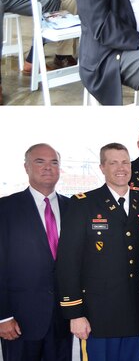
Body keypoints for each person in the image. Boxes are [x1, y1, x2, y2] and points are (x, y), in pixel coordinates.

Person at [56, 143, 139, 361]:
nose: (121, 168)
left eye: (125, 162)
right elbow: (68, 262)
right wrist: (75, 313)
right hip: (97, 317)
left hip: (136, 313)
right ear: (102, 167)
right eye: (113, 162)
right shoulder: (83, 204)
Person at [0, 144, 72, 361]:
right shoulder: (5, 209)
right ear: (26, 167)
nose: (48, 167)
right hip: (20, 321)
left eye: (54, 162)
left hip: (63, 319)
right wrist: (3, 316)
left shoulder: (74, 208)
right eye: (40, 161)